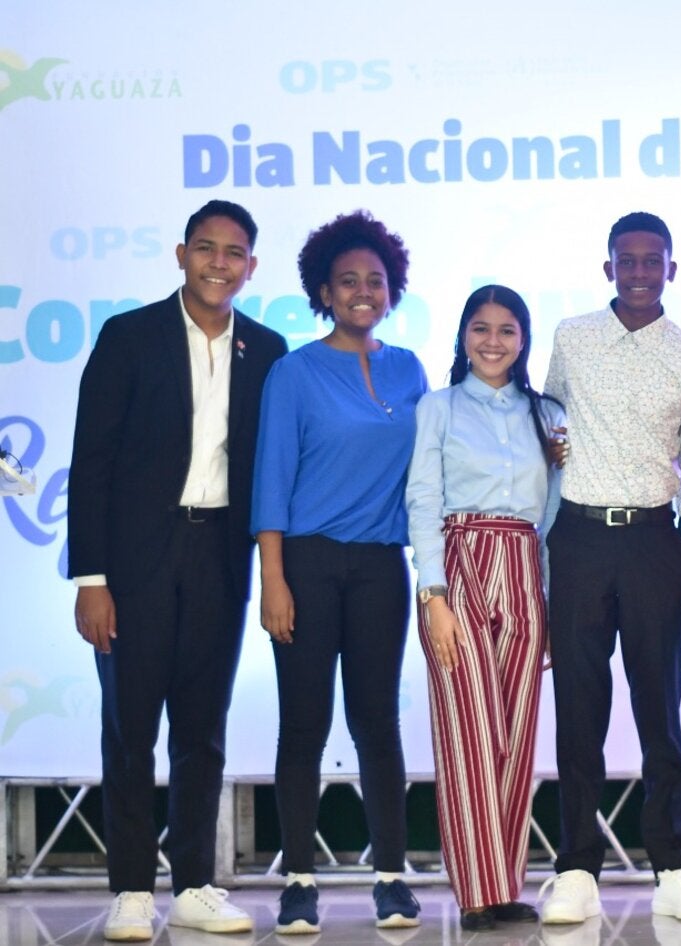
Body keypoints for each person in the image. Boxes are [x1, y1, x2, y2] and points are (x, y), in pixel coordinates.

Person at [69, 199, 286, 942]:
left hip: (219, 556)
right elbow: (90, 463)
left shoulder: (268, 348)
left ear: (250, 267)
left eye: (233, 253)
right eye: (205, 248)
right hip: (133, 565)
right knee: (131, 728)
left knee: (204, 726)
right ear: (181, 254)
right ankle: (132, 887)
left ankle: (194, 881)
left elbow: (274, 463)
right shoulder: (128, 337)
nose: (218, 263)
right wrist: (90, 578)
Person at [539, 212, 681, 925]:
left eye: (654, 261)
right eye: (628, 260)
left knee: (658, 705)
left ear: (671, 269)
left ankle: (671, 864)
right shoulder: (572, 338)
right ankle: (578, 866)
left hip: (651, 542)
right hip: (579, 538)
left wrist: (675, 528)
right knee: (580, 707)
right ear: (608, 265)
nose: (640, 272)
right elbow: (551, 419)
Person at [251, 210, 428, 934]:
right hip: (308, 564)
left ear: (392, 290)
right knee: (304, 724)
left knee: (377, 722)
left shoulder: (408, 367)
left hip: (382, 566)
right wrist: (274, 578)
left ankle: (391, 875)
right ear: (323, 290)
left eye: (375, 281)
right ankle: (298, 880)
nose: (363, 291)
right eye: (348, 281)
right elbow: (271, 478)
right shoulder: (294, 370)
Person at [404, 285, 564, 932]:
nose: (492, 341)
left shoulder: (547, 413)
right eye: (480, 328)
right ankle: (475, 894)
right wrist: (433, 595)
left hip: (524, 568)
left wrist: (547, 602)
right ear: (463, 335)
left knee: (516, 736)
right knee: (471, 734)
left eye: (507, 330)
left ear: (523, 340)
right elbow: (421, 500)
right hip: (460, 566)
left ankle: (504, 884)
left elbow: (550, 515)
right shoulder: (437, 408)